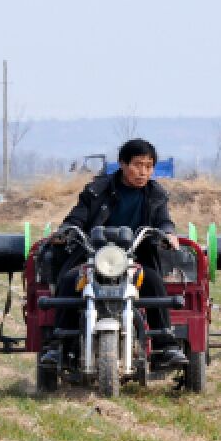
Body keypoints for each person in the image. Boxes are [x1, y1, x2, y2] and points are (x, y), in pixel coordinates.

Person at [43, 138, 187, 367]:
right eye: (138, 165)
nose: (143, 172)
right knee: (69, 281)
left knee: (154, 283)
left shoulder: (156, 194)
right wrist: (65, 231)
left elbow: (163, 221)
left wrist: (168, 234)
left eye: (149, 166)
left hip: (134, 258)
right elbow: (77, 217)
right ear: (122, 163)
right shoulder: (96, 189)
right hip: (93, 256)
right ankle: (59, 346)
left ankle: (165, 346)